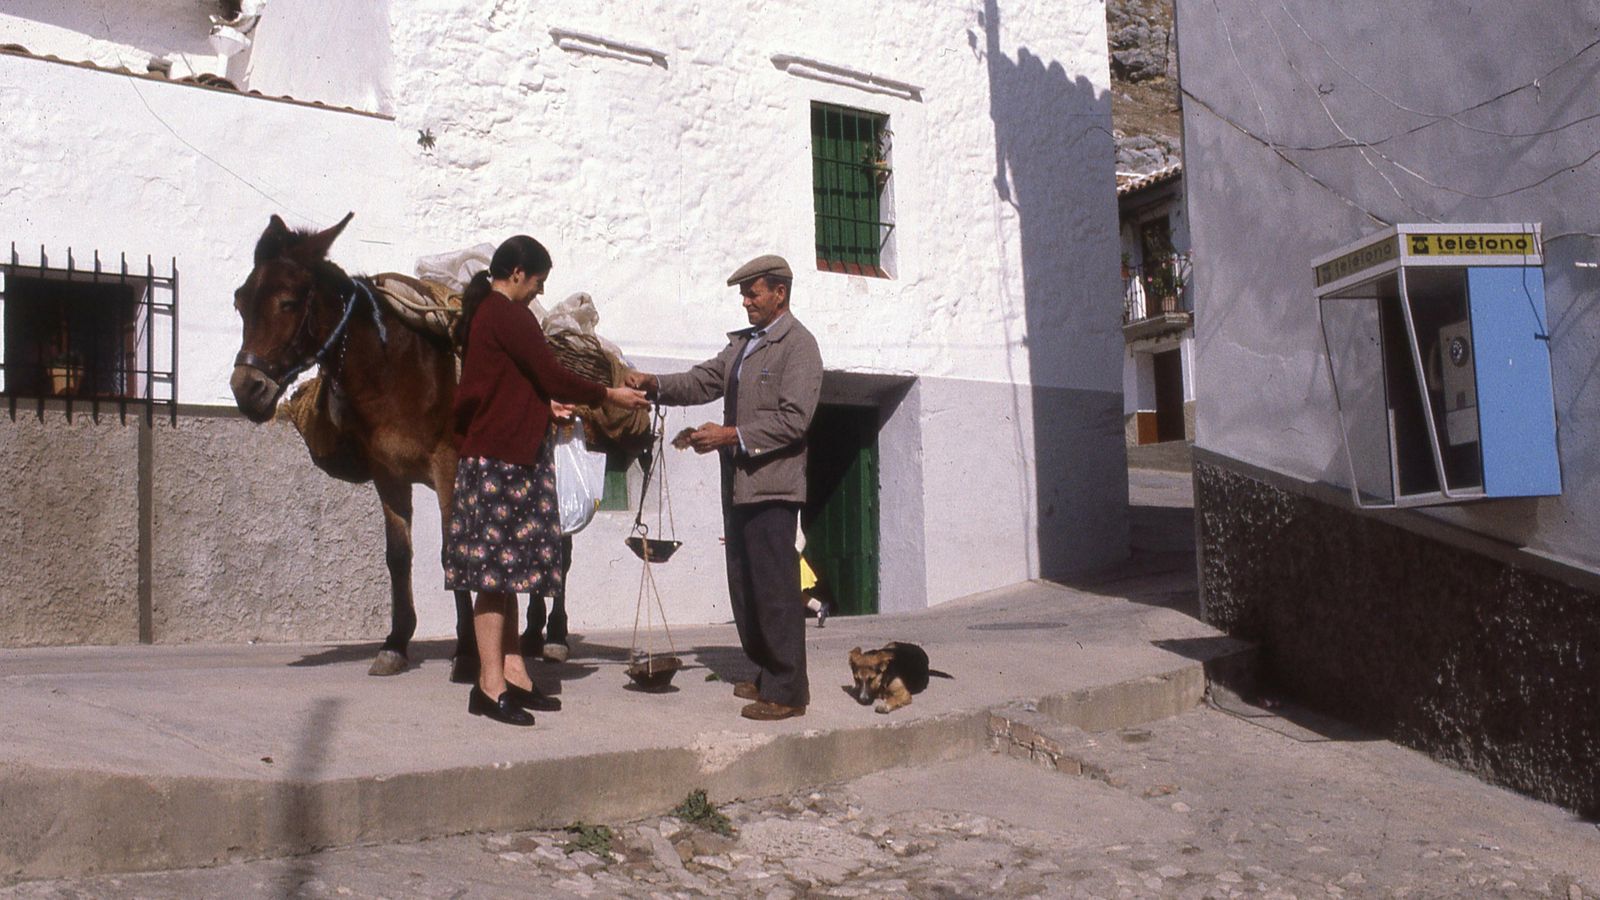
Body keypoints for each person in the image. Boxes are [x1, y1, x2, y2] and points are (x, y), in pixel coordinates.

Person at [446, 235, 649, 726]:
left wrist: (542, 406)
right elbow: (551, 372)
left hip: (502, 455)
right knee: (494, 579)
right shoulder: (508, 314)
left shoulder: (489, 315)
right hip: (500, 462)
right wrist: (607, 394)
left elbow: (508, 383)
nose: (537, 294)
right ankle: (488, 686)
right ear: (517, 272)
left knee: (508, 574)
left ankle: (513, 674)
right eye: (537, 283)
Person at [626, 254, 823, 721]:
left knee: (775, 589)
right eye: (744, 294)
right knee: (745, 587)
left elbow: (794, 421)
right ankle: (767, 673)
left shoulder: (799, 346)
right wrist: (652, 383)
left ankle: (789, 691)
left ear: (780, 292)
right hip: (738, 486)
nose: (745, 300)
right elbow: (701, 382)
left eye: (753, 292)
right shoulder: (744, 346)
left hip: (772, 488)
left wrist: (728, 435)